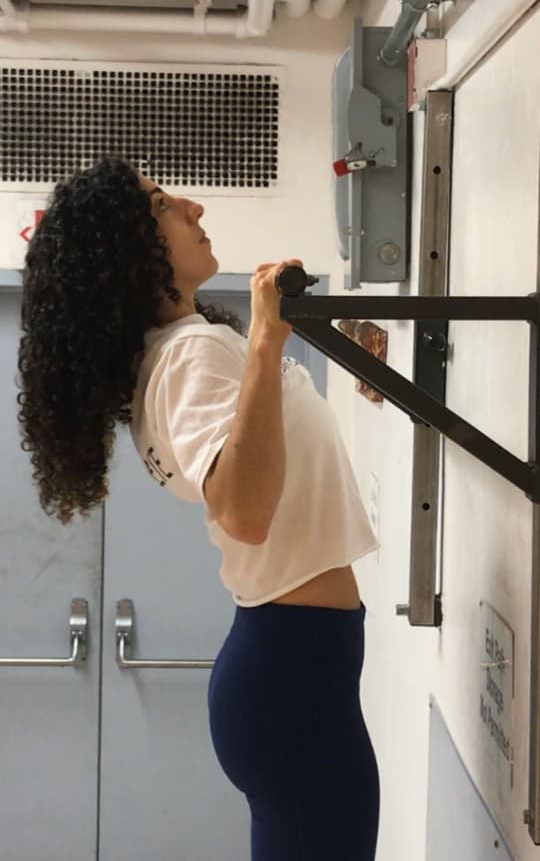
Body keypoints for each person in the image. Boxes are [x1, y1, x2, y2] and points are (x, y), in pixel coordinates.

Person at [16, 154, 380, 860]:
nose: (194, 207)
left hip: (289, 667)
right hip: (293, 671)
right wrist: (269, 339)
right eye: (162, 206)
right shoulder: (191, 357)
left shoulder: (179, 358)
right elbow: (245, 510)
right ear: (128, 257)